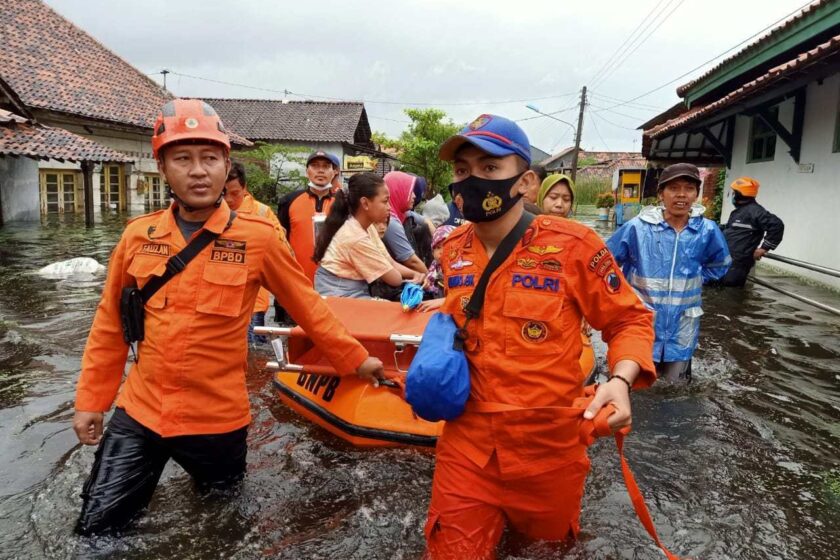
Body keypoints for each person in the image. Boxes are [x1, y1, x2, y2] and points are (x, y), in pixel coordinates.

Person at [72, 99, 383, 536]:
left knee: (220, 526)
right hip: (140, 410)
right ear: (162, 167)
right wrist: (92, 401)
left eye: (210, 159)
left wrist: (358, 360)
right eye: (183, 158)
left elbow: (309, 307)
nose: (198, 171)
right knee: (96, 528)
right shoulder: (138, 236)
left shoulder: (258, 238)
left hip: (216, 419)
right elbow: (109, 324)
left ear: (225, 166)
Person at [424, 114, 656, 558]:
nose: (472, 180)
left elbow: (629, 320)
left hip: (549, 450)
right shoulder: (450, 250)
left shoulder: (575, 245)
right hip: (467, 447)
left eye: (489, 168)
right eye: (462, 170)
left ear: (525, 181)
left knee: (544, 550)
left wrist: (620, 380)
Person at [607, 163, 731, 384]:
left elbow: (721, 264)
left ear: (696, 194)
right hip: (642, 321)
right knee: (637, 389)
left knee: (678, 388)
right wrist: (618, 294)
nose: (681, 194)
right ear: (661, 194)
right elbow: (606, 263)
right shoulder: (637, 228)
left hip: (683, 324)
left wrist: (695, 279)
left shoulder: (707, 230)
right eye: (673, 188)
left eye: (689, 188)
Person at [313, 172, 424, 298]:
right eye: (385, 201)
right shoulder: (355, 237)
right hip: (339, 294)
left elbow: (388, 262)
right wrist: (416, 275)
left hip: (353, 290)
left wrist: (415, 274)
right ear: (365, 203)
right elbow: (394, 278)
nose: (389, 207)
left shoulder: (367, 226)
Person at [223, 162, 284, 344]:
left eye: (235, 193)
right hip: (216, 303)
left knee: (253, 355)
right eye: (223, 193)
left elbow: (282, 251)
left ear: (245, 188)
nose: (229, 200)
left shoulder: (261, 213)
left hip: (252, 301)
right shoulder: (206, 212)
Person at [277, 150, 340, 283]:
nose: (320, 170)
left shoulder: (343, 204)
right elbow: (280, 241)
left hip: (333, 281)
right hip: (297, 278)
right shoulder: (289, 201)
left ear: (334, 172)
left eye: (326, 166)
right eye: (315, 166)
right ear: (307, 172)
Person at [720, 177, 784, 287]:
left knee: (731, 293)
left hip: (739, 262)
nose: (733, 195)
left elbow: (777, 225)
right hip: (727, 259)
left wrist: (764, 248)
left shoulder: (755, 211)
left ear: (740, 194)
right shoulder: (739, 212)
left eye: (734, 193)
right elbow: (733, 229)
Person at [383, 171, 431, 272]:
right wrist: (431, 279)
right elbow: (412, 262)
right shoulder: (390, 222)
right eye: (410, 191)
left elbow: (426, 221)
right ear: (398, 191)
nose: (414, 195)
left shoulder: (402, 213)